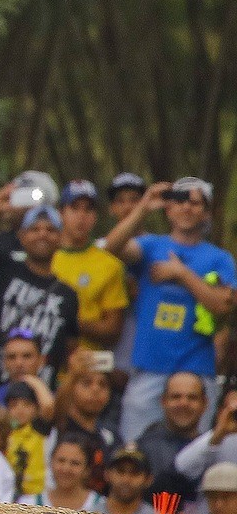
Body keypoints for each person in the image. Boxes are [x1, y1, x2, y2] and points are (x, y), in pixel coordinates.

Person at [104, 178, 236, 442]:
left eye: (195, 202)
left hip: (196, 369)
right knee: (135, 447)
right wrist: (142, 207)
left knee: (195, 449)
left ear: (206, 212)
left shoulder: (219, 258)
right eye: (179, 200)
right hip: (148, 368)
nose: (186, 207)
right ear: (168, 209)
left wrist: (181, 274)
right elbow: (112, 247)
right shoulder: (151, 245)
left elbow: (223, 304)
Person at [0, 206, 81, 385]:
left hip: (42, 393)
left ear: (61, 238)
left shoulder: (68, 295)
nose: (42, 235)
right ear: (22, 237)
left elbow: (70, 347)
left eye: (50, 230)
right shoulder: (4, 271)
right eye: (35, 229)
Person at [50, 181, 129, 353]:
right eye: (75, 208)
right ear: (61, 213)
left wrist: (69, 321)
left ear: (95, 216)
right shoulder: (44, 257)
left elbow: (113, 330)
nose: (81, 216)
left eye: (88, 210)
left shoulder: (110, 265)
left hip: (87, 364)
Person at [137, 372, 208, 498]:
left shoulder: (214, 447)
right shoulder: (144, 448)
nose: (184, 403)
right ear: (163, 401)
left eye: (192, 397)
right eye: (176, 397)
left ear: (205, 403)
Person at [87, 445, 169, 514]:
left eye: (135, 473)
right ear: (107, 474)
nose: (126, 479)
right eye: (120, 471)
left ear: (148, 479)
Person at [19, 435, 104, 510]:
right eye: (61, 461)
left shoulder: (101, 506)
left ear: (87, 469)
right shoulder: (29, 504)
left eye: (75, 463)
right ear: (51, 462)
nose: (66, 469)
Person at [4, 380, 48, 498]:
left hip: (37, 493)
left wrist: (30, 379)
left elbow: (48, 405)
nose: (20, 409)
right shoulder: (5, 434)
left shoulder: (41, 429)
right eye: (13, 405)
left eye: (27, 404)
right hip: (10, 494)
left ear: (37, 407)